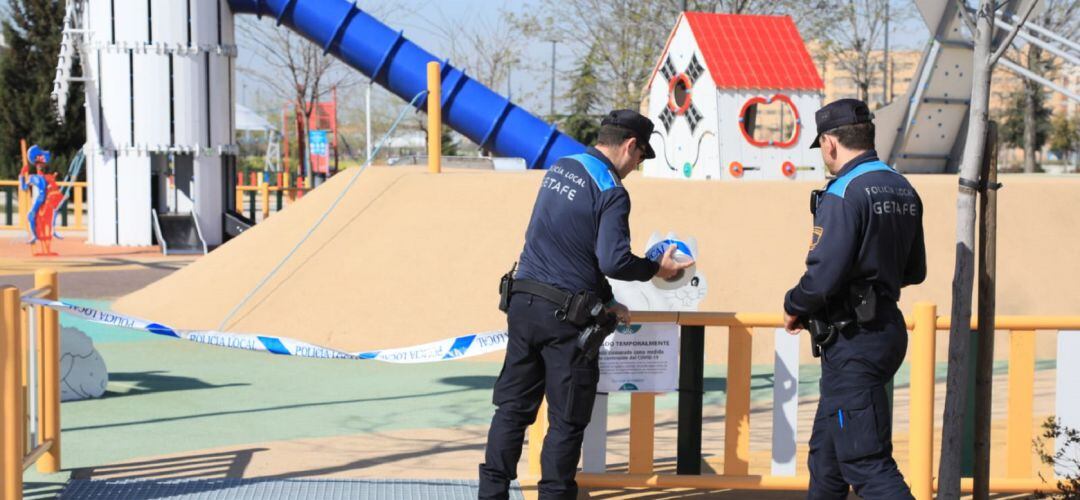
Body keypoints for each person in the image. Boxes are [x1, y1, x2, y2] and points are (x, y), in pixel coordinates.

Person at [479, 109, 694, 499]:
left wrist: (608, 299)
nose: (636, 167)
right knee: (566, 420)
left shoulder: (562, 166)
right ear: (631, 145)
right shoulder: (611, 189)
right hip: (565, 321)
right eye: (641, 157)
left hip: (524, 302)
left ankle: (490, 493)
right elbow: (612, 259)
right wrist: (655, 269)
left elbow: (566, 246)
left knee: (512, 410)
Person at [783, 98, 926, 499]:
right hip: (884, 332)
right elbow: (915, 271)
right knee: (827, 458)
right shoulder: (903, 187)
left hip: (853, 341)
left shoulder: (844, 191)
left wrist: (794, 304)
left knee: (866, 463)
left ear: (830, 142)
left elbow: (822, 277)